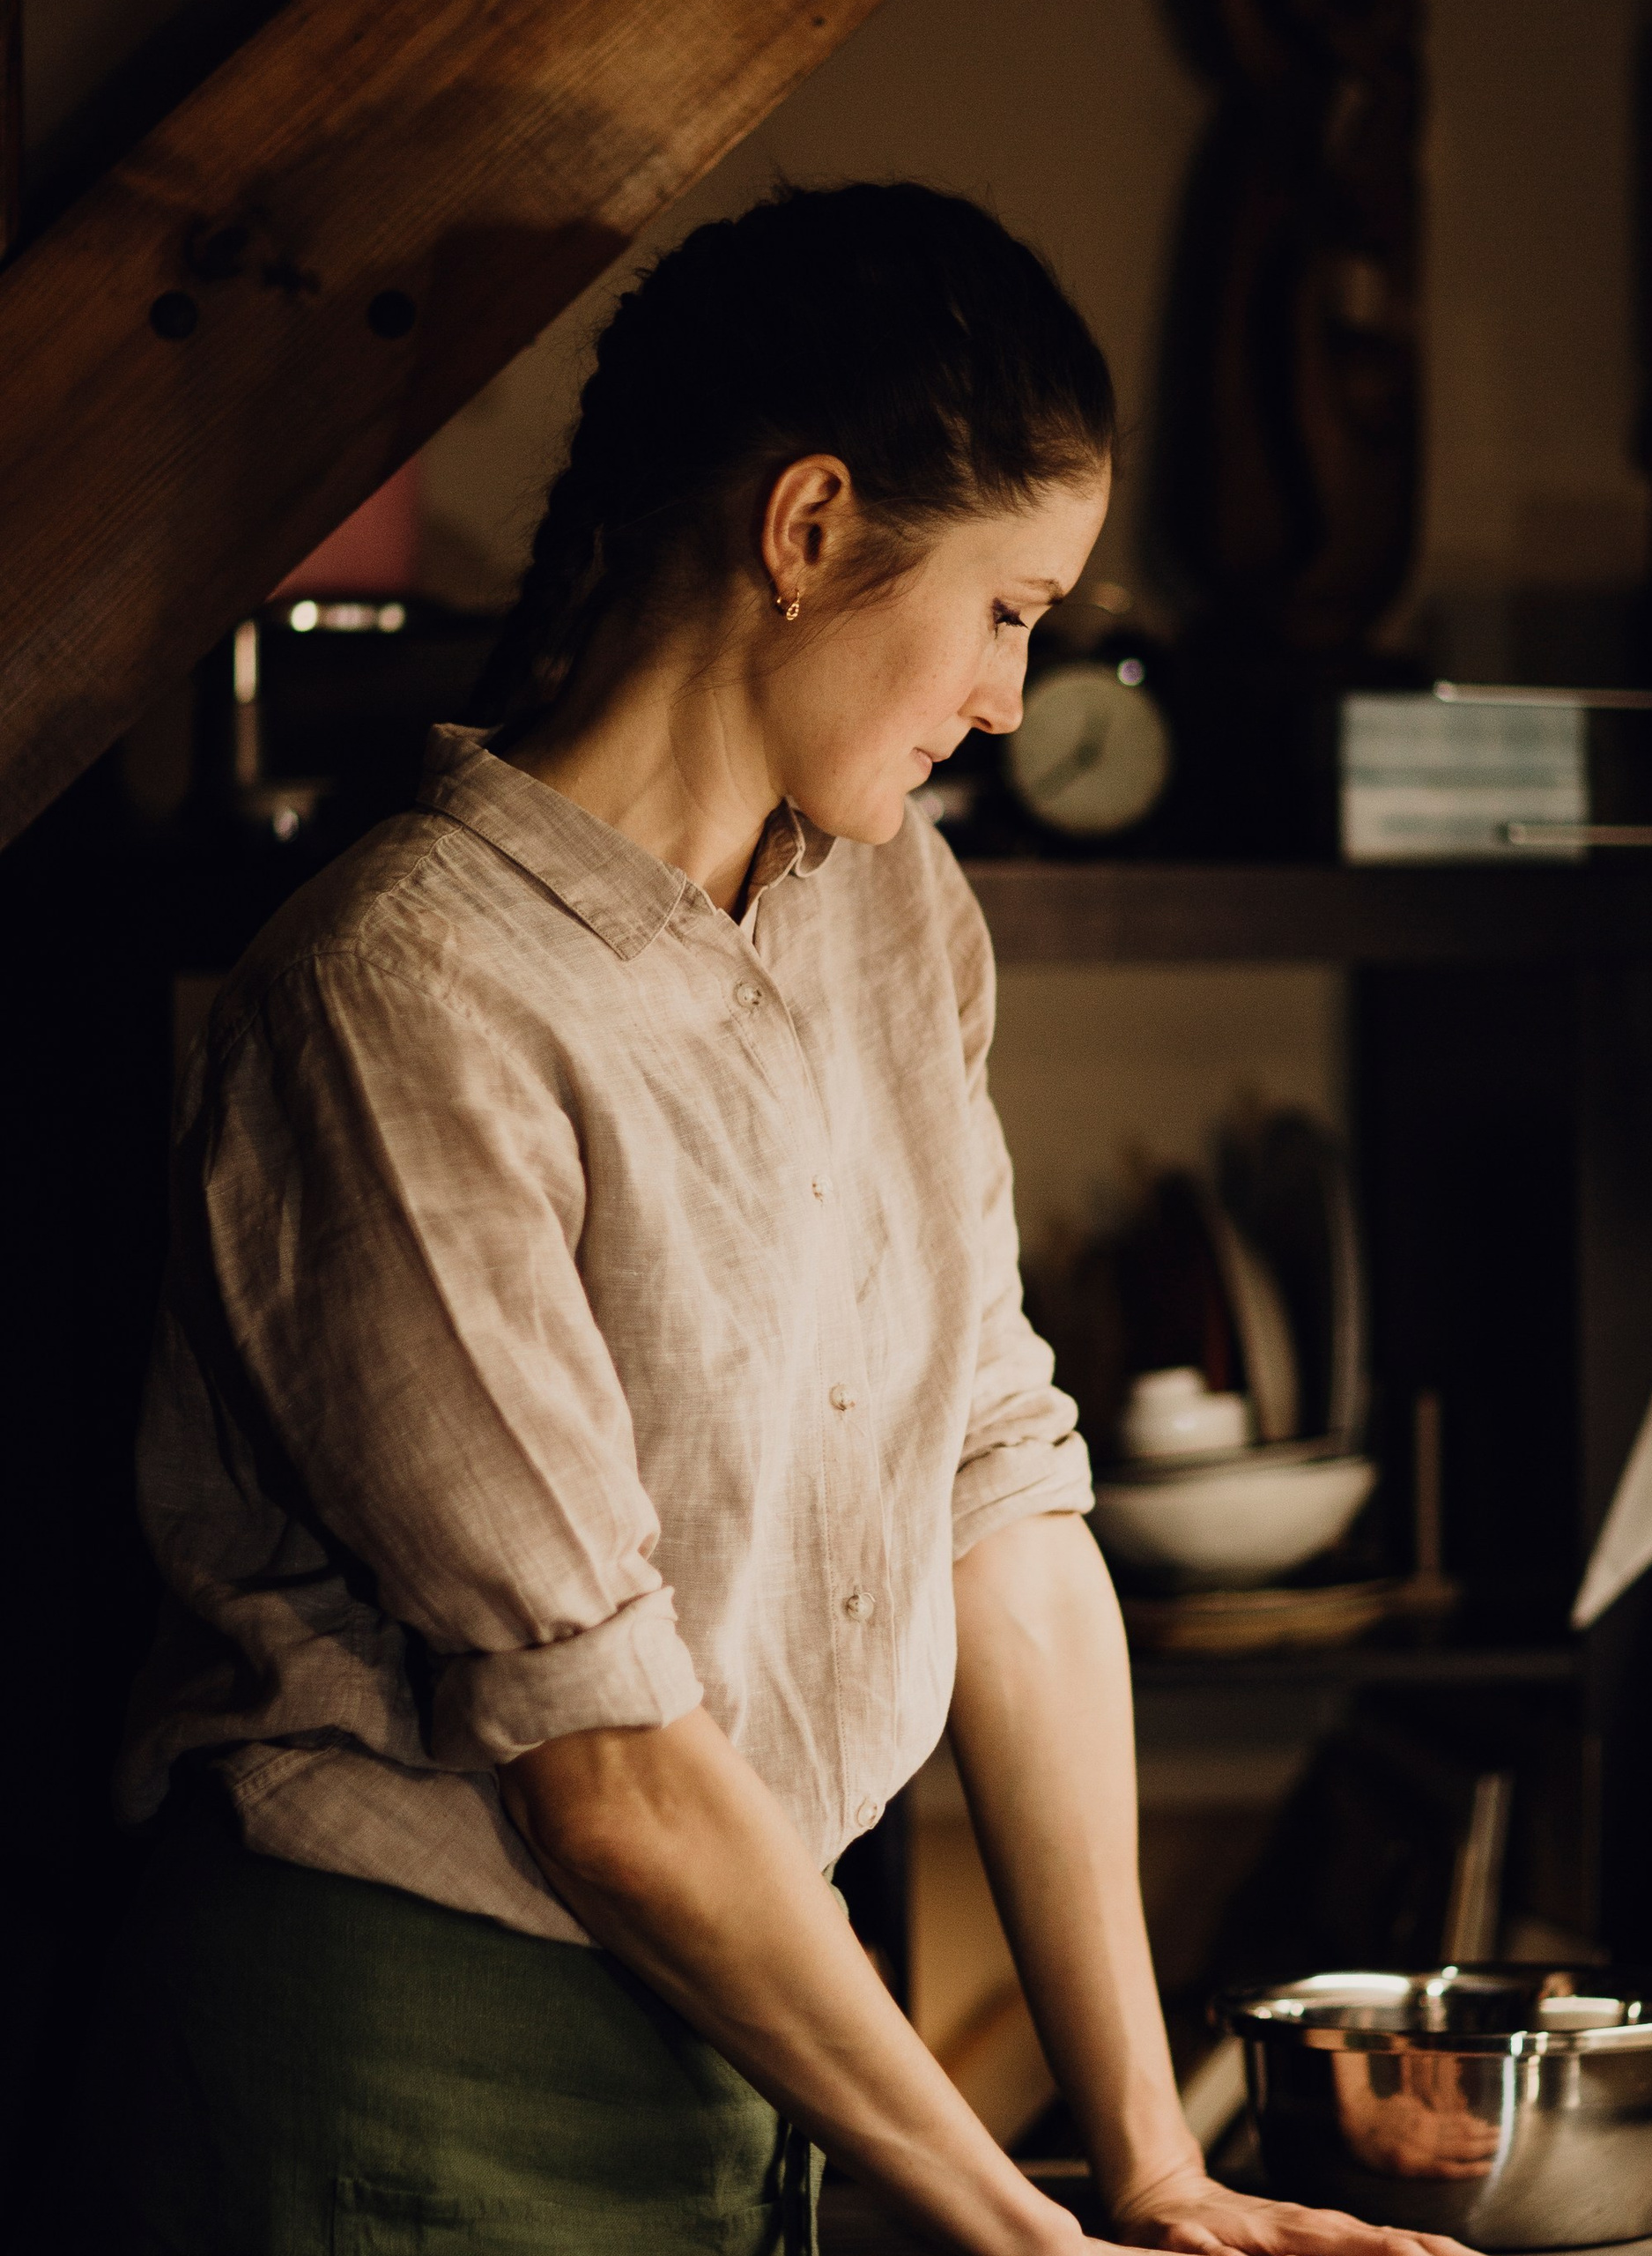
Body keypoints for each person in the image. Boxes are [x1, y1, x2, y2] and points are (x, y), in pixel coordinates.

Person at [104, 183, 1471, 2256]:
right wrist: (1016, 2232)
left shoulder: (892, 907)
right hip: (405, 2073)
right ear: (809, 527)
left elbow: (997, 1499)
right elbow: (610, 1772)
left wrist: (1149, 2161)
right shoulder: (404, 996)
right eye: (1006, 611)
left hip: (766, 2038)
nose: (1012, 698)